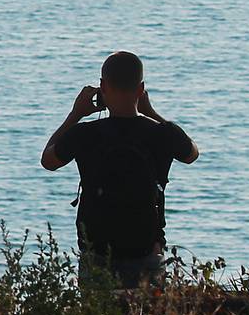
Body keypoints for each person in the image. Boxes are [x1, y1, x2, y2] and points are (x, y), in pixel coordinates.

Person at [41, 51, 198, 287]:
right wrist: (151, 112)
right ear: (141, 89)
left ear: (103, 87)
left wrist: (76, 114)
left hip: (98, 252)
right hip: (147, 250)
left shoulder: (85, 133)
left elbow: (48, 160)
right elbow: (192, 154)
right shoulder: (162, 134)